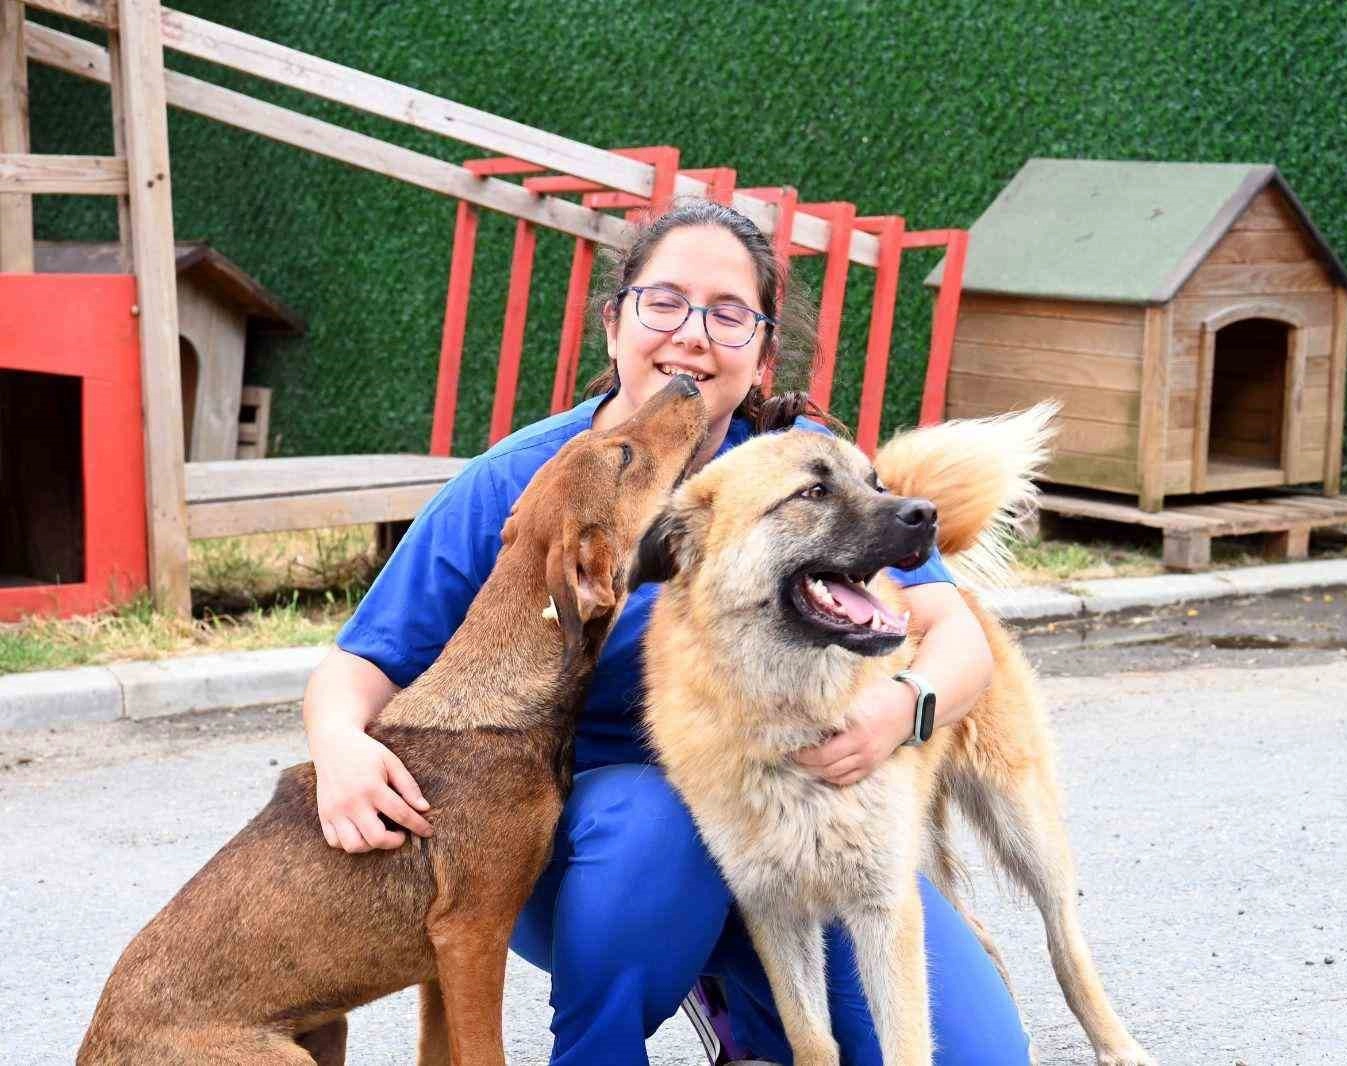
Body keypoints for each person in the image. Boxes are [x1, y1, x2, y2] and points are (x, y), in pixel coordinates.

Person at [302, 199, 1031, 1066]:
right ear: (615, 324)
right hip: (605, 853)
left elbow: (959, 641)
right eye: (665, 303)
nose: (693, 334)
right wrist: (338, 747)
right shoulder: (526, 483)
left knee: (980, 1057)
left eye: (729, 314)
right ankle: (609, 1041)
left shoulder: (810, 467)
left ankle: (746, 1010)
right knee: (654, 828)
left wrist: (902, 711)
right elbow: (359, 665)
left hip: (798, 827)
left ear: (763, 353)